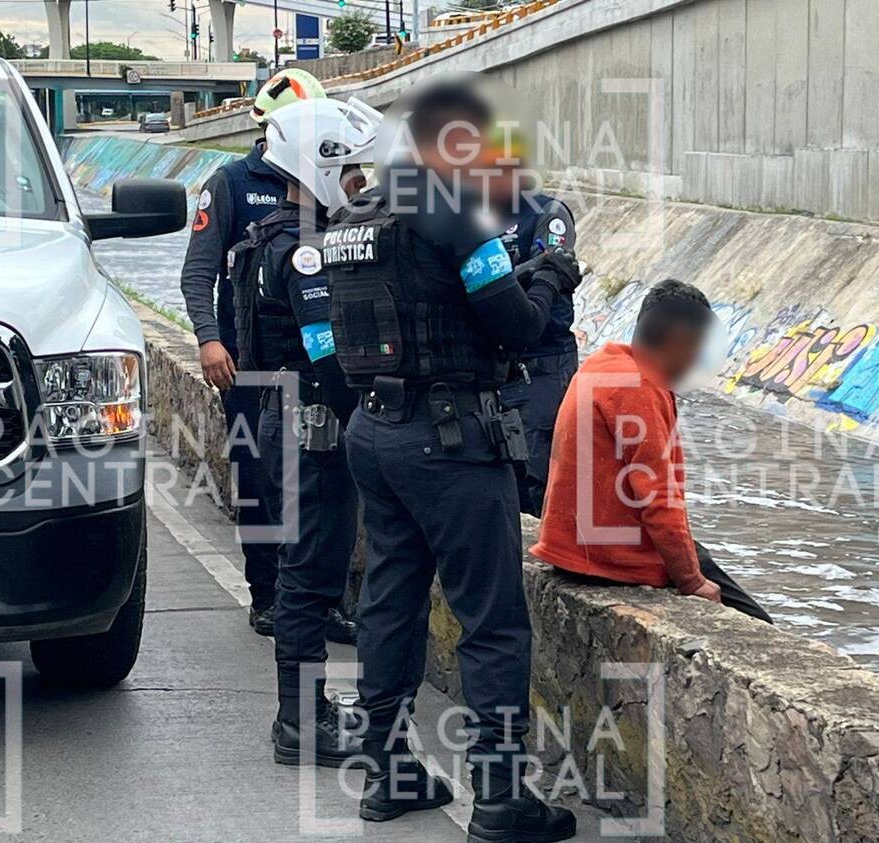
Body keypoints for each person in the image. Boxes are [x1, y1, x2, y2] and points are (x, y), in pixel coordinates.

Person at [323, 79, 582, 841]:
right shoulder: (454, 218)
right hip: (452, 442)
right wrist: (554, 270)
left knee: (389, 604)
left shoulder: (348, 218)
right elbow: (518, 326)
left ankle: (387, 772)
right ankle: (501, 799)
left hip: (373, 433)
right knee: (492, 621)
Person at [227, 96, 381, 766]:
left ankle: (306, 708)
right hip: (309, 423)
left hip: (276, 412)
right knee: (310, 574)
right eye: (349, 171)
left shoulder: (267, 239)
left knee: (300, 567)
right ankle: (300, 719)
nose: (358, 185)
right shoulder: (307, 256)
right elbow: (330, 359)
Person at [181, 68, 360, 641]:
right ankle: (267, 597)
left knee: (323, 490)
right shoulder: (231, 183)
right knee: (258, 483)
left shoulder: (328, 187)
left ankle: (319, 601)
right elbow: (198, 273)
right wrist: (210, 340)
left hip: (311, 367)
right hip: (248, 364)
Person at [531, 279, 774, 624]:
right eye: (697, 349)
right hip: (608, 560)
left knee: (699, 556)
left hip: (574, 548)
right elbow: (659, 499)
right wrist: (692, 581)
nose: (695, 363)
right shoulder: (640, 387)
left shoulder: (601, 365)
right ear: (680, 343)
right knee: (756, 622)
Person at [498, 193, 579, 517]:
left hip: (543, 365)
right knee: (503, 477)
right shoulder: (470, 216)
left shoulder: (547, 212)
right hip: (496, 367)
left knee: (542, 478)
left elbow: (553, 269)